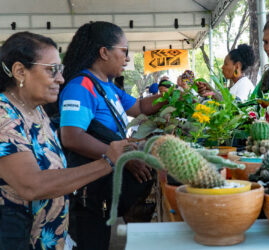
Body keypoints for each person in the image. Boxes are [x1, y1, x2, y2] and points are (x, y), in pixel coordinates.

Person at [0, 32, 132, 250]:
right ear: (20, 71)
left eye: (60, 70)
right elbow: (31, 185)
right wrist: (107, 162)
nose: (61, 79)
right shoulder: (5, 118)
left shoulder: (36, 111)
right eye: (52, 70)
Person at [59, 21, 166, 250]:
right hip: (88, 192)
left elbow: (138, 107)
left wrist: (172, 97)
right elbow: (71, 136)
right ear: (104, 52)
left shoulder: (107, 85)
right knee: (91, 240)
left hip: (103, 187)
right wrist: (122, 157)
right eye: (124, 51)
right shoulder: (81, 86)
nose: (127, 58)